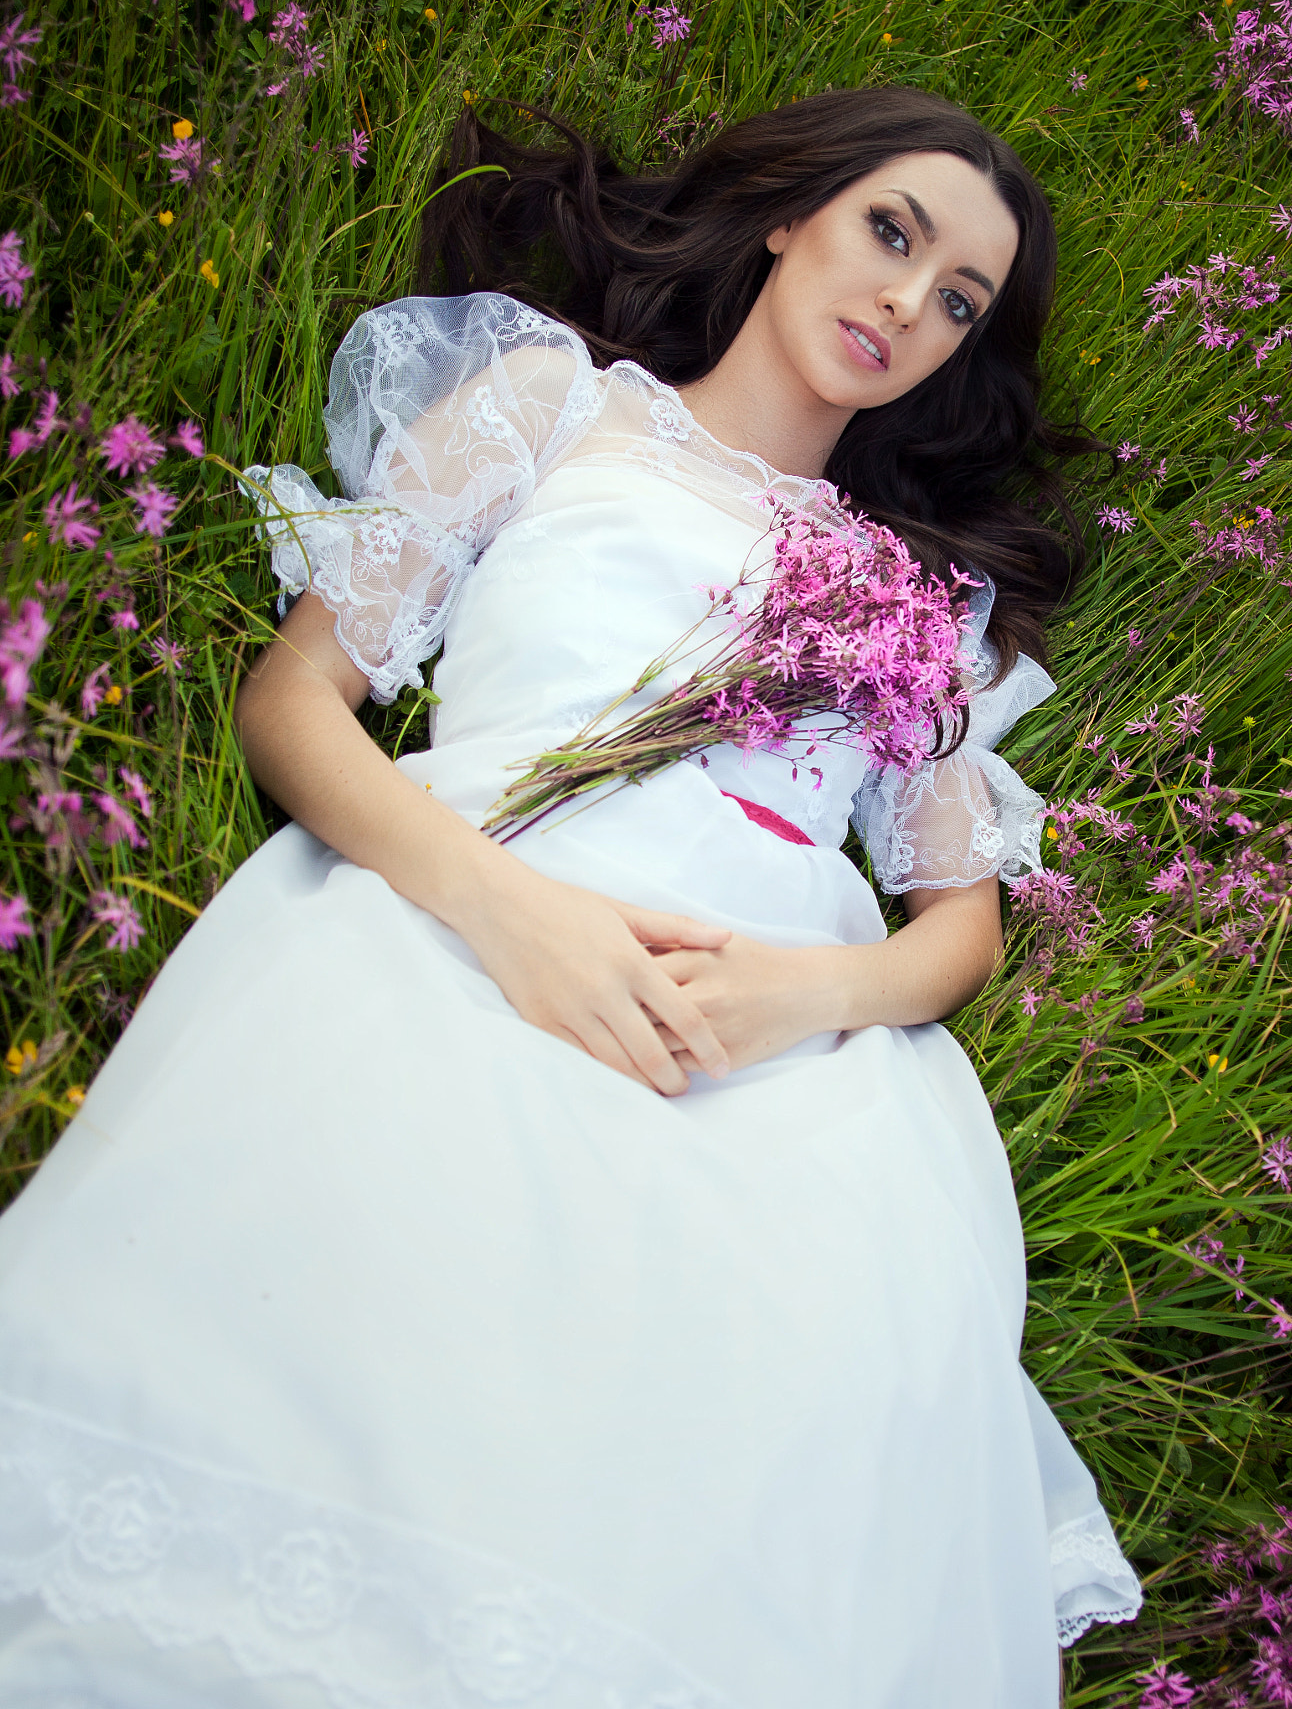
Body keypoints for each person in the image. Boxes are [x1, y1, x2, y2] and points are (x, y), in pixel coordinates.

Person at [0, 87, 1142, 1706]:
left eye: (957, 299)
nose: (908, 301)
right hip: (471, 910)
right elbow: (295, 701)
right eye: (891, 233)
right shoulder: (550, 408)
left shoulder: (911, 592)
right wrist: (504, 910)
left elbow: (954, 920)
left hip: (767, 1042)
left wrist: (795, 998)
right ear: (785, 218)